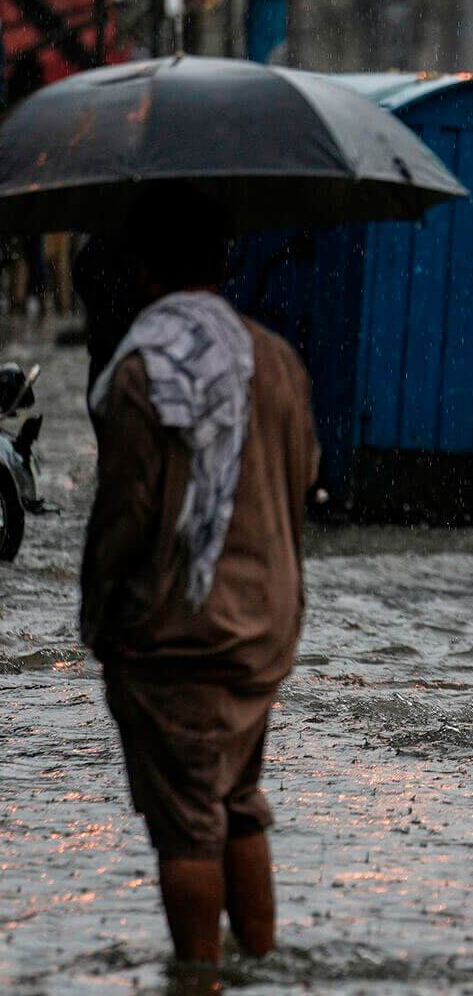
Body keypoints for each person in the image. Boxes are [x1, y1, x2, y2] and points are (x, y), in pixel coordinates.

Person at [81, 187, 320, 989]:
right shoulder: (275, 359)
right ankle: (257, 966)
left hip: (182, 629)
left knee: (186, 824)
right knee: (238, 799)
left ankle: (200, 979)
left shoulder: (150, 370)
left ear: (139, 266)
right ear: (224, 262)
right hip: (267, 623)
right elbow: (305, 479)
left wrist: (103, 623)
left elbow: (125, 516)